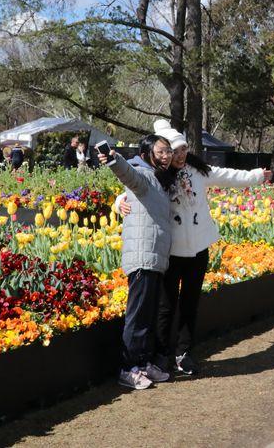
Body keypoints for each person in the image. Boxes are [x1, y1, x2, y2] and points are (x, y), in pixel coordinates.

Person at [118, 120, 273, 376]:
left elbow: (228, 176)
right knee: (166, 307)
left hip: (199, 247)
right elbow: (133, 188)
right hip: (172, 250)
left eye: (183, 149)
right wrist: (118, 203)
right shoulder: (158, 175)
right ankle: (162, 354)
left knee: (190, 303)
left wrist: (257, 176)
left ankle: (184, 353)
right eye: (173, 151)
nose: (179, 156)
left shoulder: (198, 170)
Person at [99, 134, 177, 390]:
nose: (166, 156)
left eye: (168, 151)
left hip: (155, 258)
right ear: (146, 154)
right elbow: (128, 174)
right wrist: (114, 159)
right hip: (143, 257)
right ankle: (128, 368)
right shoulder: (143, 175)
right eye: (161, 151)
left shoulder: (160, 180)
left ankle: (143, 364)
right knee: (138, 317)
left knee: (149, 316)